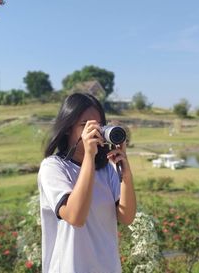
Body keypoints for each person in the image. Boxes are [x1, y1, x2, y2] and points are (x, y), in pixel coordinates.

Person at [38, 93, 136, 273]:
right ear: (68, 128)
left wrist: (126, 175)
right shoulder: (53, 167)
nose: (94, 131)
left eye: (99, 125)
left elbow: (127, 218)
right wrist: (89, 157)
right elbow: (76, 217)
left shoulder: (107, 169)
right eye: (85, 125)